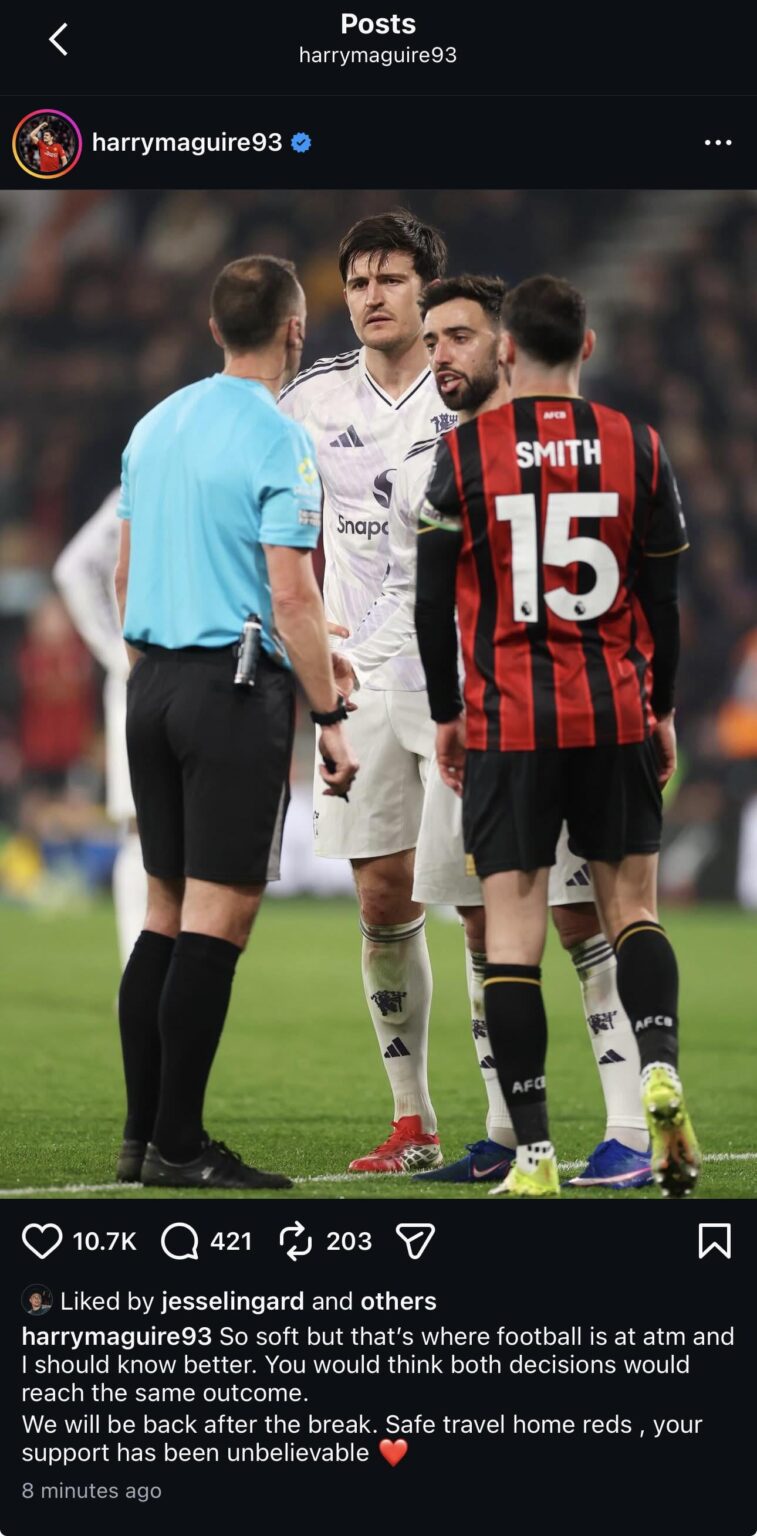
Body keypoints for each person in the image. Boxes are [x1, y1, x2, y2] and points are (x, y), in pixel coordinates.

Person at [340, 274, 652, 1189]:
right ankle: (508, 1133)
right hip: (458, 722)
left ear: (505, 347)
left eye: (460, 338)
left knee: (575, 917)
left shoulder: (529, 453)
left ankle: (628, 1128)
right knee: (479, 923)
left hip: (531, 721)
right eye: (432, 340)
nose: (441, 355)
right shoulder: (440, 452)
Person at [415, 273, 700, 1199]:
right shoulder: (640, 448)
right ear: (586, 346)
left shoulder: (464, 456)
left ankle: (532, 1152)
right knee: (633, 914)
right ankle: (658, 1068)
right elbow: (663, 604)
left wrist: (447, 713)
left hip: (508, 721)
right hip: (615, 711)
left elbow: (429, 609)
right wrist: (659, 708)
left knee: (511, 939)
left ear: (504, 352)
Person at [115, 254, 358, 1191]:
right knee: (219, 921)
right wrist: (328, 716)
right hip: (230, 691)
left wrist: (154, 681)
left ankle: (145, 1136)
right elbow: (293, 600)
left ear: (215, 329)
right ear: (298, 332)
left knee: (163, 916)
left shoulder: (154, 424)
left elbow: (124, 577)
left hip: (153, 687)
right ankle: (180, 1146)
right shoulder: (277, 437)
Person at [279, 208, 454, 1174]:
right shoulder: (311, 400)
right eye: (356, 283)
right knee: (382, 900)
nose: (371, 298)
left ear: (426, 289)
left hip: (460, 675)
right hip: (355, 677)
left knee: (480, 902)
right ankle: (413, 1122)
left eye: (389, 280)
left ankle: (514, 1124)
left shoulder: (464, 389)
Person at [54, 488, 147, 969]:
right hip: (144, 675)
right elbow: (71, 568)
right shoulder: (138, 487)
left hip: (178, 675)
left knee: (153, 830)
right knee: (138, 827)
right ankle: (140, 969)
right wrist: (114, 652)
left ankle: (161, 969)